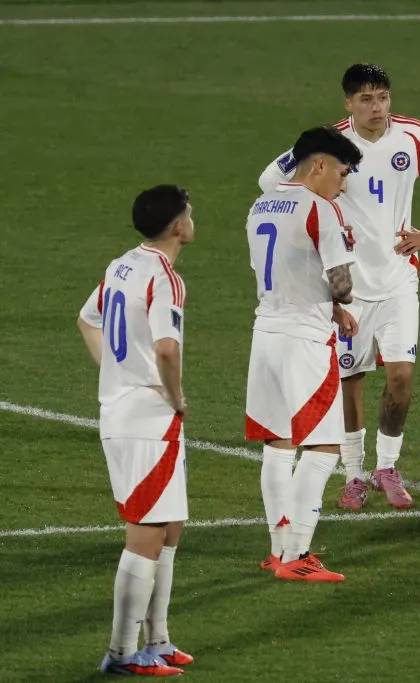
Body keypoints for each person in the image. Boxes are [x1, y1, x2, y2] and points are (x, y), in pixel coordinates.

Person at [258, 63, 420, 511]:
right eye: (367, 99)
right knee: (350, 382)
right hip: (347, 283)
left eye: (384, 98)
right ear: (349, 103)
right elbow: (270, 180)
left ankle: (387, 466)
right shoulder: (331, 143)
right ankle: (353, 473)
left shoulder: (411, 136)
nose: (379, 108)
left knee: (401, 375)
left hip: (398, 280)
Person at [78, 185, 195, 676]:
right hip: (148, 420)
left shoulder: (122, 264)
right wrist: (174, 397)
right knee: (145, 534)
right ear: (177, 226)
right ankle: (124, 652)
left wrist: (117, 374)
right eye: (189, 212)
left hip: (129, 414)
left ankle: (159, 639)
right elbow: (167, 350)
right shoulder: (165, 279)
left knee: (170, 528)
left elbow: (87, 320)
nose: (193, 218)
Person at [245, 126, 362, 581]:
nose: (344, 183)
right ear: (319, 165)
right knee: (323, 448)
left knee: (278, 444)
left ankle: (278, 550)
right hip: (305, 344)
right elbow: (342, 284)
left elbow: (283, 270)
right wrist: (343, 297)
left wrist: (329, 307)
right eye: (342, 172)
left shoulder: (260, 205)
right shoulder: (322, 210)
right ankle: (297, 557)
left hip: (266, 333)